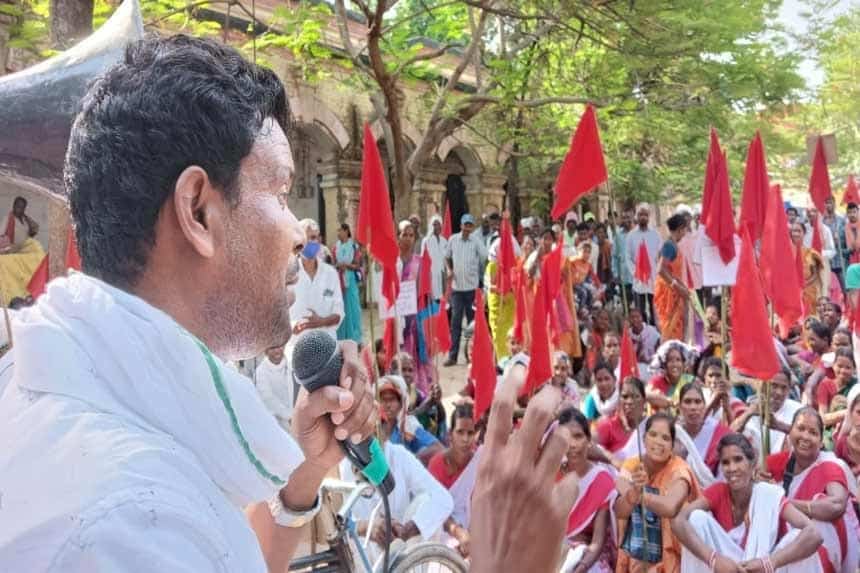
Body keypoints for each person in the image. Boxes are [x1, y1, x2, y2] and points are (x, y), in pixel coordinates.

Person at [0, 35, 377, 572]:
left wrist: (308, 471)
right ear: (198, 210)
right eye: (278, 191)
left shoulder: (47, 384)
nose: (298, 230)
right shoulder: (130, 524)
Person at [672, 433, 824, 573]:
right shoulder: (718, 491)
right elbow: (678, 520)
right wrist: (713, 559)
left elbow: (814, 534)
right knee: (696, 519)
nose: (732, 468)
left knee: (799, 537)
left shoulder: (767, 494)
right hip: (729, 568)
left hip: (763, 568)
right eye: (726, 462)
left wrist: (769, 562)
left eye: (738, 459)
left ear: (752, 463)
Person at [764, 408, 859, 573]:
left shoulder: (831, 465)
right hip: (778, 545)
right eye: (800, 429)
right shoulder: (775, 462)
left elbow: (836, 506)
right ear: (790, 431)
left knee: (815, 518)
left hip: (821, 551)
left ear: (821, 441)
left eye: (813, 432)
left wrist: (783, 503)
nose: (805, 437)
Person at [340, 425, 453, 560]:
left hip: (402, 553)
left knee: (426, 502)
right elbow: (335, 524)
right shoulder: (343, 464)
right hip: (364, 556)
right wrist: (367, 528)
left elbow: (444, 499)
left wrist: (409, 529)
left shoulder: (399, 456)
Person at [614, 413, 700, 573]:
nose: (658, 442)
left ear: (673, 445)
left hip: (674, 558)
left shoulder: (679, 469)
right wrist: (632, 492)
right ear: (644, 438)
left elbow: (670, 507)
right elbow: (619, 512)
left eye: (665, 438)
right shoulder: (633, 466)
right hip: (637, 555)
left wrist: (640, 496)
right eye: (653, 435)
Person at [558, 408, 617, 573]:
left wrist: (581, 567)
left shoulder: (602, 480)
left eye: (578, 436)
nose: (573, 444)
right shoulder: (551, 473)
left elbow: (597, 542)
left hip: (584, 555)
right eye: (566, 437)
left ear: (589, 439)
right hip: (550, 550)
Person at [427, 403, 479, 558]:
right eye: (460, 432)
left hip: (473, 532)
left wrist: (471, 536)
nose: (465, 439)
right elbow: (435, 508)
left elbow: (481, 506)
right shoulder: (437, 464)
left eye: (470, 433)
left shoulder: (479, 462)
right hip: (442, 529)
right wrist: (458, 533)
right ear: (450, 434)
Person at [287, 224, 344, 365]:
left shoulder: (331, 274)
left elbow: (339, 314)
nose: (311, 242)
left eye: (314, 237)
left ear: (320, 240)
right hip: (297, 350)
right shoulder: (288, 274)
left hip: (327, 351)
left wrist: (320, 322)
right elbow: (277, 313)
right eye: (306, 238)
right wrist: (291, 326)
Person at [444, 213, 487, 366]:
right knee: (455, 324)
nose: (467, 228)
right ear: (461, 225)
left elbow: (485, 258)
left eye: (470, 225)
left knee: (472, 324)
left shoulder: (476, 241)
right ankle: (452, 356)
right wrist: (449, 269)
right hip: (457, 289)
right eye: (465, 225)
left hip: (472, 290)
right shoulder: (453, 240)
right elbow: (447, 256)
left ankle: (473, 356)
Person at [395, 220, 433, 393]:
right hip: (395, 317)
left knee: (415, 355)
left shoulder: (420, 263)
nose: (408, 239)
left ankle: (417, 390)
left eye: (411, 235)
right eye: (404, 234)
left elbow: (426, 293)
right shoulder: (392, 263)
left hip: (414, 319)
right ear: (398, 236)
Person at [733, 369, 802, 459]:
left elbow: (808, 437)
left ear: (789, 389)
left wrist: (779, 425)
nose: (779, 392)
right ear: (764, 386)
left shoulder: (799, 410)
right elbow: (731, 433)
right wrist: (749, 413)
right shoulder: (753, 409)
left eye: (784, 388)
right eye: (774, 386)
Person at [674, 383, 731, 488]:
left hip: (712, 495)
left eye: (697, 402)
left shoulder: (720, 433)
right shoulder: (673, 434)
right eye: (687, 402)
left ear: (704, 406)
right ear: (679, 407)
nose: (693, 407)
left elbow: (725, 477)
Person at [378, 375, 442, 464]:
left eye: (392, 399)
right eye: (383, 400)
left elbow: (437, 447)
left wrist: (411, 461)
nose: (387, 405)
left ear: (401, 403)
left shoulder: (408, 425)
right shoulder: (374, 426)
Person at [0, 195, 47, 305]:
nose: (19, 209)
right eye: (17, 206)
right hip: (12, 249)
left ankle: (36, 286)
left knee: (38, 251)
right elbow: (2, 237)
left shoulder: (24, 219)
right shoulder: (8, 218)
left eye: (22, 207)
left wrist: (26, 217)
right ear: (13, 206)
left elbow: (34, 230)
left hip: (24, 248)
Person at [595, 377, 648, 465]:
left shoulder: (651, 425)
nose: (630, 401)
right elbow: (588, 444)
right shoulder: (609, 425)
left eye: (635, 397)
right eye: (625, 397)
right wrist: (613, 460)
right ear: (619, 400)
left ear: (644, 401)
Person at [654, 213, 690, 341]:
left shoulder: (673, 245)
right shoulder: (669, 245)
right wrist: (678, 287)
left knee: (679, 329)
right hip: (669, 294)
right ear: (680, 229)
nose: (685, 233)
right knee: (670, 329)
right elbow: (661, 269)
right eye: (685, 229)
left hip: (675, 292)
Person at [626, 203, 661, 323]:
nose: (643, 217)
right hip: (638, 279)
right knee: (640, 310)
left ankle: (654, 333)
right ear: (636, 216)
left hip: (653, 277)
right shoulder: (631, 236)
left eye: (645, 214)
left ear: (649, 216)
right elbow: (628, 257)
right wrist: (636, 272)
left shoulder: (655, 234)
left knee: (654, 310)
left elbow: (660, 255)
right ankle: (643, 333)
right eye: (640, 214)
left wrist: (658, 272)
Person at [647, 340, 697, 413]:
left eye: (678, 360)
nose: (675, 364)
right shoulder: (657, 381)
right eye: (670, 360)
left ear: (684, 364)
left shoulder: (690, 380)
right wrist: (670, 402)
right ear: (664, 364)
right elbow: (646, 395)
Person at [334, 223, 363, 344]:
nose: (338, 233)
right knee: (341, 308)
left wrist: (346, 265)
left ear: (346, 231)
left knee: (353, 309)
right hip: (339, 280)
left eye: (340, 230)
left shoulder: (354, 247)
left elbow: (357, 265)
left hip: (350, 281)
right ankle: (342, 337)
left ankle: (355, 337)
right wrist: (338, 266)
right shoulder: (336, 247)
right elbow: (333, 263)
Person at [255, 345, 294, 431]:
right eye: (272, 348)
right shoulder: (260, 371)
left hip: (296, 419)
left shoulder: (292, 365)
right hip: (277, 424)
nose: (277, 350)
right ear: (265, 351)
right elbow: (268, 398)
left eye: (279, 346)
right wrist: (289, 416)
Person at [816, 347, 856, 430]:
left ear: (854, 369)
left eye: (848, 368)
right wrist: (847, 413)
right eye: (839, 366)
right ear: (833, 365)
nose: (843, 371)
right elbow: (822, 419)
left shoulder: (856, 386)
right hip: (831, 430)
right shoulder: (825, 385)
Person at [792, 221, 826, 316]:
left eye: (798, 231)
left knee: (808, 318)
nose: (796, 234)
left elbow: (816, 273)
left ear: (804, 233)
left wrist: (803, 285)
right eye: (793, 231)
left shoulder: (811, 253)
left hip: (808, 290)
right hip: (791, 290)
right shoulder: (786, 253)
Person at [422, 213, 448, 302]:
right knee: (431, 300)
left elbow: (446, 259)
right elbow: (423, 259)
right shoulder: (426, 240)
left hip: (442, 275)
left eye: (438, 224)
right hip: (430, 274)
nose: (436, 227)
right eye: (434, 224)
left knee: (441, 300)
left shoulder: (444, 241)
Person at [629, 307, 660, 372]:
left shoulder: (651, 330)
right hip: (636, 368)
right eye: (632, 317)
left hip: (652, 366)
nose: (635, 319)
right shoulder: (628, 334)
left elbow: (659, 345)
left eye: (637, 317)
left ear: (642, 318)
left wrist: (652, 360)